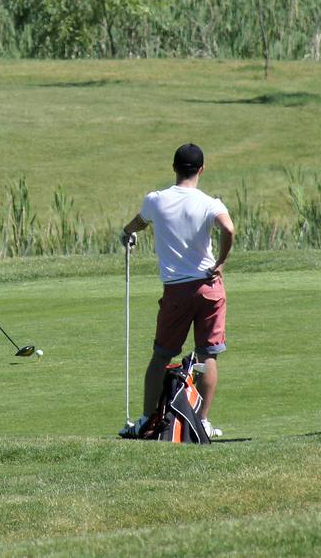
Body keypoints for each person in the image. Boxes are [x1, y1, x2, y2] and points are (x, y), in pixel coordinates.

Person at [119, 143, 235, 440]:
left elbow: (134, 226)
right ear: (201, 169)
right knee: (208, 355)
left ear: (174, 167)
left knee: (161, 356)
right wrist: (221, 262)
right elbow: (229, 230)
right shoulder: (211, 203)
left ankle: (146, 420)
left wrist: (127, 234)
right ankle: (203, 421)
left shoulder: (156, 200)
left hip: (176, 292)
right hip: (209, 287)